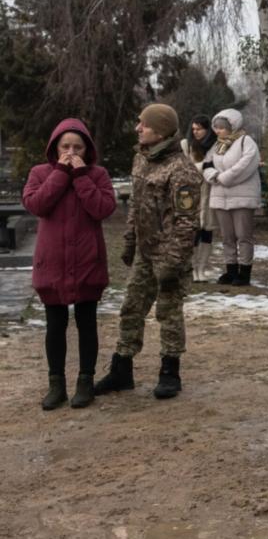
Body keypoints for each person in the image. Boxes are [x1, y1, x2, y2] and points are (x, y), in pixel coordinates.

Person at [95, 103, 202, 400]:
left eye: (144, 124)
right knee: (131, 308)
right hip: (145, 251)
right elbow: (136, 209)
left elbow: (187, 223)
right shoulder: (141, 160)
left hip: (169, 255)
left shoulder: (182, 170)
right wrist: (130, 241)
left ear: (162, 130)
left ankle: (170, 371)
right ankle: (122, 370)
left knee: (168, 312)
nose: (137, 128)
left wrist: (173, 262)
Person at [22, 118, 117, 410]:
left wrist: (81, 177)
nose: (71, 152)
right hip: (53, 262)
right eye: (66, 146)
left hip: (87, 260)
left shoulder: (98, 174)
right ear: (55, 147)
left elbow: (103, 208)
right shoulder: (40, 173)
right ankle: (56, 384)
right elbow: (37, 204)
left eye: (78, 147)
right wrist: (62, 173)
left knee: (87, 323)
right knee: (55, 324)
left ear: (87, 150)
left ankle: (85, 381)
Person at [203, 108, 261, 286]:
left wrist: (225, 177)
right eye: (216, 127)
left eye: (222, 127)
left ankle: (244, 272)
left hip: (242, 195)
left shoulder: (246, 141)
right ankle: (231, 269)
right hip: (221, 195)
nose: (218, 131)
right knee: (227, 236)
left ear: (232, 126)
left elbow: (247, 164)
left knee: (243, 235)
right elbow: (207, 164)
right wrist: (213, 175)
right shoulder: (217, 145)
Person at [184, 115, 218, 282]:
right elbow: (185, 168)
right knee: (194, 231)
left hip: (211, 192)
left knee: (208, 231)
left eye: (199, 129)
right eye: (194, 129)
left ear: (207, 129)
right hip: (193, 193)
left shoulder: (215, 145)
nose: (196, 132)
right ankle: (193, 268)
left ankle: (202, 268)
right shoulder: (188, 145)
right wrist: (203, 166)